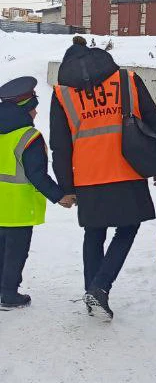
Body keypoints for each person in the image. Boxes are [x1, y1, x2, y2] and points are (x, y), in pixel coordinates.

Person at [50, 36, 156, 320]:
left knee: (94, 232)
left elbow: (60, 143)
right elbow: (154, 120)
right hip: (127, 168)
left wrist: (66, 186)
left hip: (88, 174)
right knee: (128, 228)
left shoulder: (63, 93)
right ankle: (100, 288)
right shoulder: (126, 79)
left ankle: (94, 290)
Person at [0, 76, 72, 310]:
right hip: (19, 209)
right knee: (15, 254)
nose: (36, 114)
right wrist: (60, 196)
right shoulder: (29, 137)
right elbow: (37, 174)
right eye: (33, 110)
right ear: (25, 110)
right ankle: (9, 295)